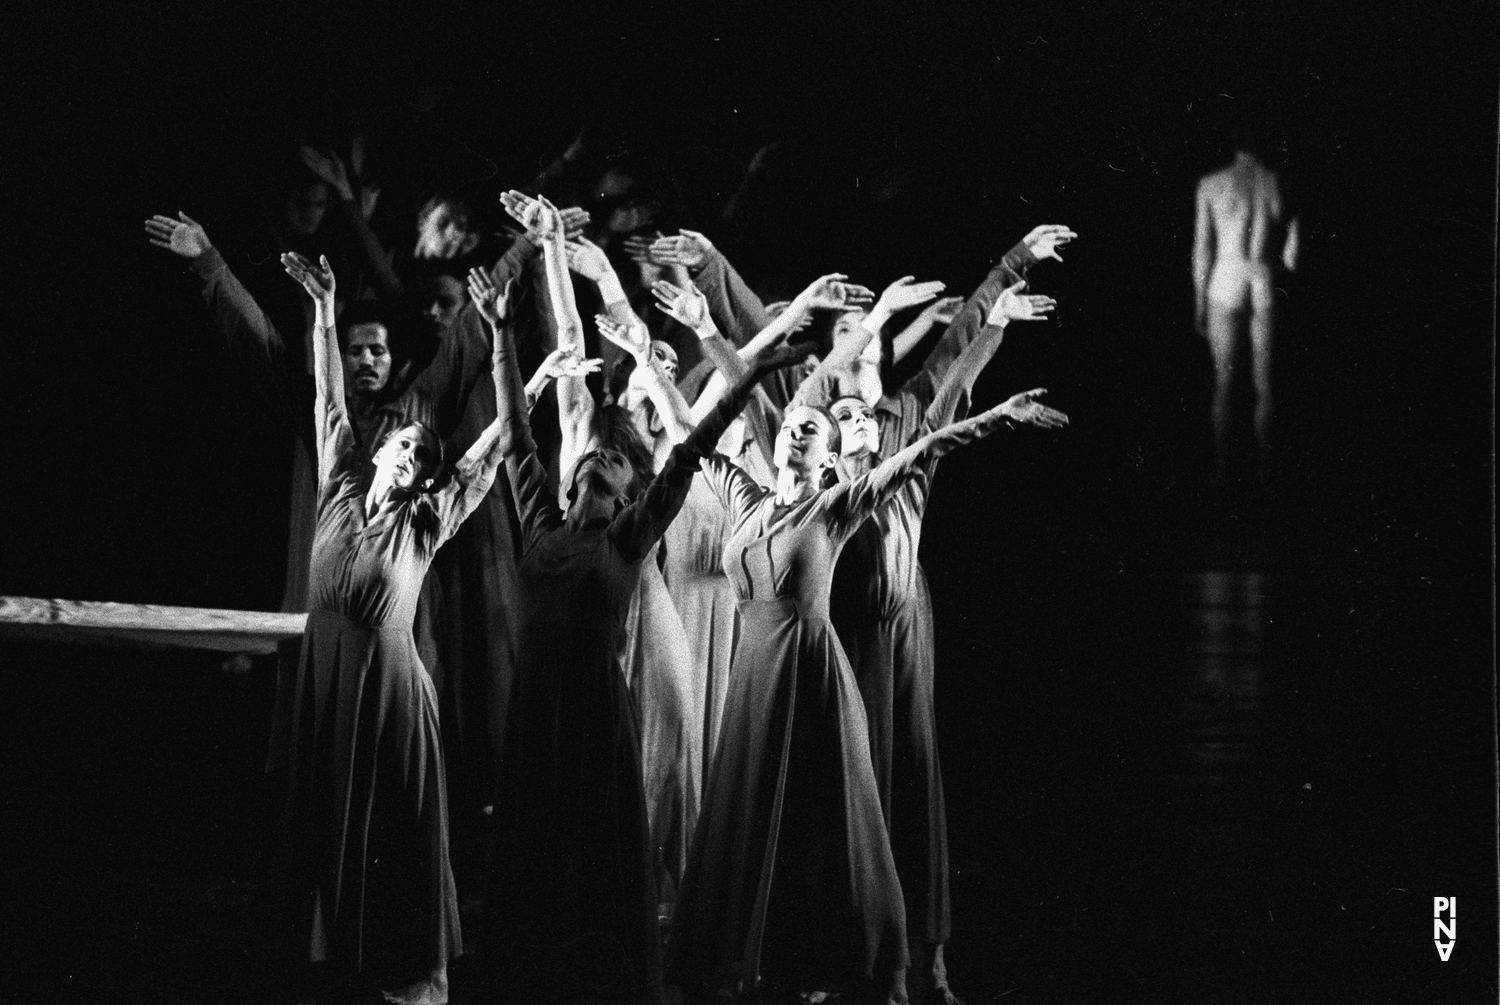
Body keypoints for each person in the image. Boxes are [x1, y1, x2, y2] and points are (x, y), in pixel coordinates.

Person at [473, 195, 805, 1004]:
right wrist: (497, 330)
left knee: (620, 819)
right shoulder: (540, 516)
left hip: (592, 706)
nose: (598, 464)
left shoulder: (629, 536)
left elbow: (690, 449)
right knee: (537, 849)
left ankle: (641, 936)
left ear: (629, 489)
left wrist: (747, 369)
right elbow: (520, 421)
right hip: (536, 711)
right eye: (594, 461)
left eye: (615, 467)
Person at [669, 350, 1068, 1003]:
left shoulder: (836, 506)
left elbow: (920, 452)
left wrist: (997, 416)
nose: (795, 428)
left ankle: (889, 963)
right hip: (754, 680)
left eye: (809, 428)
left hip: (811, 673)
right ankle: (748, 960)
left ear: (825, 454)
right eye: (792, 422)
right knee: (747, 813)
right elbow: (691, 431)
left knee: (839, 824)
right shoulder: (746, 496)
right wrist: (646, 358)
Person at [276, 250, 517, 1005]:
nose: (413, 453)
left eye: (423, 456)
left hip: (390, 688)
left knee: (402, 831)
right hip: (329, 676)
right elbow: (326, 396)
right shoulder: (341, 482)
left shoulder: (423, 520)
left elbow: (493, 448)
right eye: (405, 445)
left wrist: (512, 352)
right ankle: (336, 954)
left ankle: (422, 970)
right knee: (326, 812)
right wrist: (323, 311)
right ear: (382, 450)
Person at [1193, 132, 1300, 488]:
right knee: (1266, 387)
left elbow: (1202, 251)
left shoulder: (1211, 184)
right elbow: (1293, 256)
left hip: (1225, 282)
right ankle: (1268, 477)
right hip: (1263, 281)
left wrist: (1199, 304)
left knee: (1224, 386)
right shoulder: (1277, 182)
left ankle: (1223, 474)